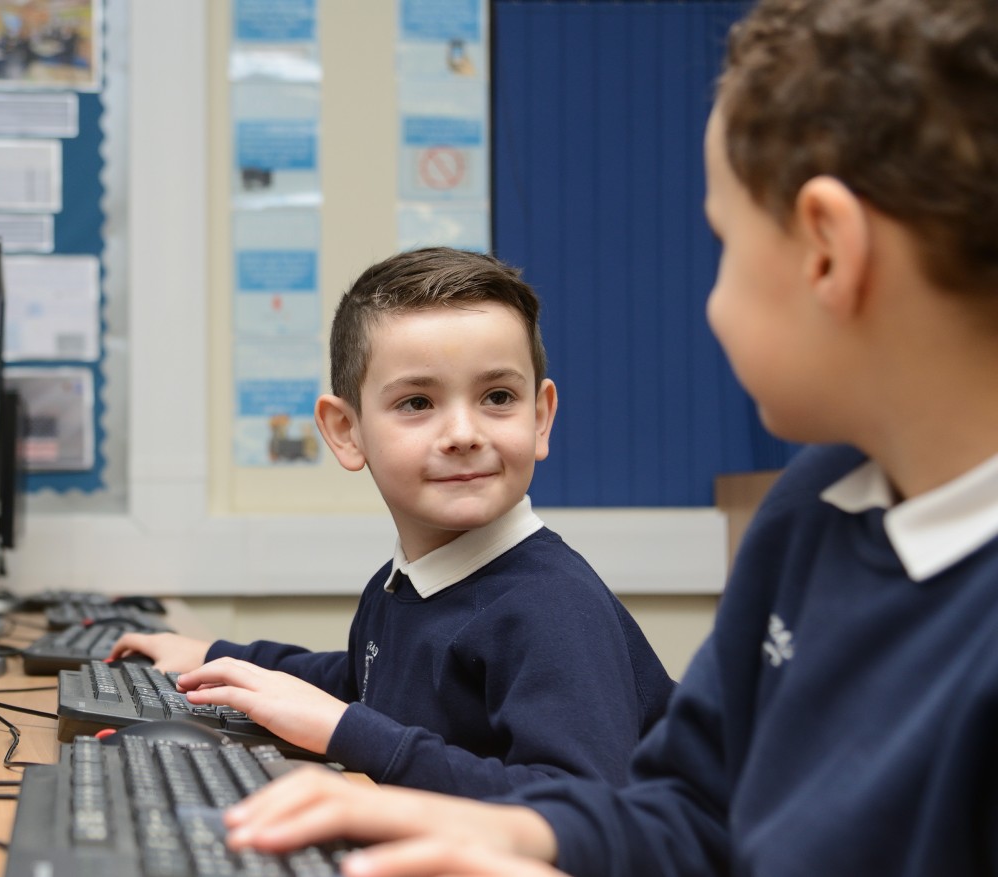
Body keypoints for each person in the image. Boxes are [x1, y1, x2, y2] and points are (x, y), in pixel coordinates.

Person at [218, 0, 998, 873]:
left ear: (827, 252)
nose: (713, 301)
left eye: (723, 240)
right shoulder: (816, 503)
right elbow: (691, 813)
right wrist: (514, 834)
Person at [109, 247, 674, 798]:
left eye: (498, 396)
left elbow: (581, 811)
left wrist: (348, 731)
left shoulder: (552, 608)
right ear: (346, 431)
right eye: (417, 403)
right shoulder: (406, 581)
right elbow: (366, 682)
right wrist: (218, 659)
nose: (463, 434)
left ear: (540, 418)